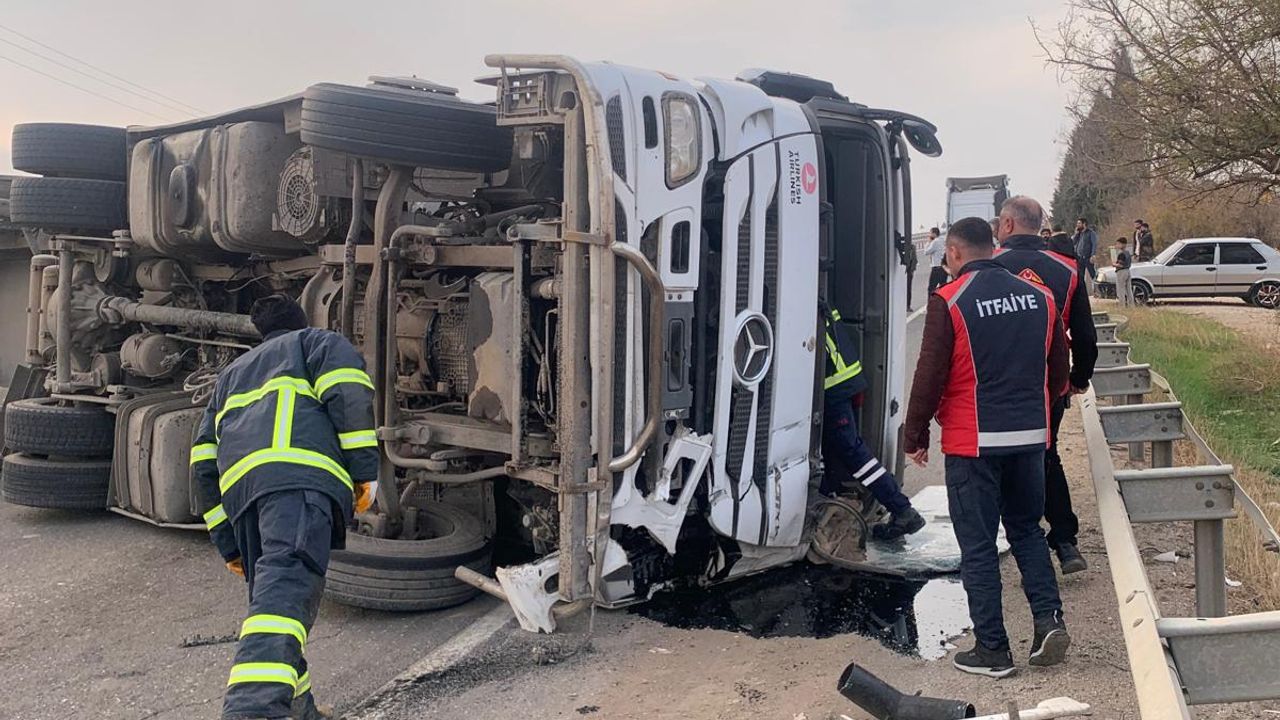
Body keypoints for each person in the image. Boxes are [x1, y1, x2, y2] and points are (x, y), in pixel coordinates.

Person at [191, 295, 379, 720]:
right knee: (283, 599)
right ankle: (253, 709)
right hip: (298, 484)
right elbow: (349, 395)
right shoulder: (316, 342)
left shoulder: (230, 376)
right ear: (301, 320)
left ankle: (299, 709)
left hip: (244, 501)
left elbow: (202, 463)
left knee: (274, 609)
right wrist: (364, 472)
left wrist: (228, 544)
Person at [903, 217, 1071, 677]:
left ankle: (993, 650)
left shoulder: (950, 299)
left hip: (973, 442)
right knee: (1027, 530)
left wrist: (915, 435)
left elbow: (929, 374)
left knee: (978, 546)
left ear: (954, 253)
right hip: (1029, 438)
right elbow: (1059, 372)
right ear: (993, 247)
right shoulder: (1040, 297)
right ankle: (1049, 621)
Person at [992, 197, 1098, 574]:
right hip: (1049, 383)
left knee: (1002, 462)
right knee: (1046, 454)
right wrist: (1078, 378)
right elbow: (1085, 335)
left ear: (1007, 224)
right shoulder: (1068, 269)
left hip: (996, 384)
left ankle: (1025, 544)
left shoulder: (988, 265)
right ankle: (1065, 541)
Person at [821, 304, 924, 540]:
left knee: (852, 451)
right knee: (832, 450)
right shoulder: (816, 297)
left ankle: (902, 509)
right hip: (842, 379)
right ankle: (827, 503)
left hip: (834, 385)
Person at [1071, 218, 1098, 294]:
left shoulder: (1091, 233)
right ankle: (1082, 292)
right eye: (1077, 223)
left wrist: (1093, 254)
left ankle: (1096, 290)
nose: (1077, 225)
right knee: (1080, 276)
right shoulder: (1079, 234)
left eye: (1079, 223)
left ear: (1084, 224)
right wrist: (1076, 234)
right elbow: (1073, 242)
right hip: (1079, 258)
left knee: (1093, 274)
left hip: (1088, 257)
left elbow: (1094, 244)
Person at [923, 226, 948, 294]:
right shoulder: (943, 240)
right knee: (943, 287)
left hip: (937, 268)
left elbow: (926, 252)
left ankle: (930, 300)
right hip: (944, 267)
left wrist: (928, 242)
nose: (929, 235)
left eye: (930, 233)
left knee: (931, 288)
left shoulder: (935, 242)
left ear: (934, 234)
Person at [1114, 237, 1134, 307]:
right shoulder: (1128, 253)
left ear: (1123, 244)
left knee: (1121, 289)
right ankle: (1131, 305)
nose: (1117, 245)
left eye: (1118, 244)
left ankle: (1122, 305)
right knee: (1129, 289)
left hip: (1121, 272)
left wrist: (1114, 264)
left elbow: (1120, 265)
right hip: (1128, 271)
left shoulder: (1121, 254)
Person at [904, 237, 920, 311]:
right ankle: (907, 305)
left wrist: (912, 270)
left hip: (906, 270)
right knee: (908, 288)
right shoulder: (912, 247)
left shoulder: (910, 247)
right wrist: (912, 270)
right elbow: (914, 260)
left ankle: (906, 305)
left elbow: (914, 260)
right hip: (908, 271)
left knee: (907, 289)